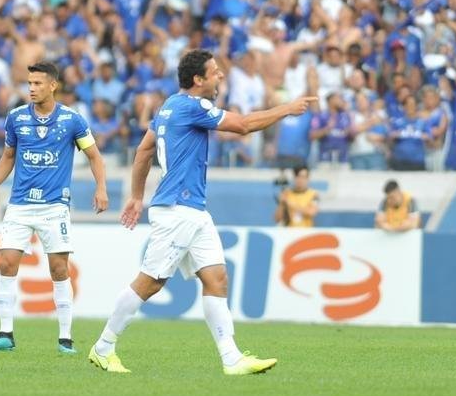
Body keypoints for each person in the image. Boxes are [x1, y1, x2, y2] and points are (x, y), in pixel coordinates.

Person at [89, 49, 315, 375]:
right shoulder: (194, 106)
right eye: (215, 72)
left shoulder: (168, 106)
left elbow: (144, 150)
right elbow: (243, 125)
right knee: (150, 283)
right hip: (178, 209)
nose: (221, 76)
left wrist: (137, 196)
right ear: (198, 80)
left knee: (216, 278)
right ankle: (103, 347)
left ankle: (232, 358)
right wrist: (287, 109)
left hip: (192, 209)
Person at [0, 61, 109, 354]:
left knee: (59, 268)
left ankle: (65, 338)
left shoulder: (72, 120)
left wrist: (101, 187)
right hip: (20, 204)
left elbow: (94, 156)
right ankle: (5, 334)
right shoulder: (15, 118)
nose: (32, 89)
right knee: (6, 262)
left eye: (38, 83)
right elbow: (8, 156)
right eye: (29, 83)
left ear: (53, 85)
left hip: (54, 207)